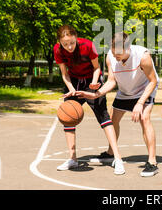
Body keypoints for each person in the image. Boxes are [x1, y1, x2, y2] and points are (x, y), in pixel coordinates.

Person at [77, 32, 159, 177]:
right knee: (113, 120)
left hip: (144, 89)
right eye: (114, 54)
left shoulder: (143, 56)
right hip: (125, 89)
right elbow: (112, 81)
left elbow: (152, 81)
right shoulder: (110, 56)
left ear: (128, 48)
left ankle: (152, 162)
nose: (116, 57)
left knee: (144, 118)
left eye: (118, 55)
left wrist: (140, 103)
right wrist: (96, 94)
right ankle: (110, 153)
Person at [53, 25, 125, 175]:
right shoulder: (57, 50)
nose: (69, 47)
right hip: (73, 81)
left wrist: (93, 85)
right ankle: (72, 159)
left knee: (104, 117)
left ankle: (118, 159)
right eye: (65, 44)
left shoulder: (88, 45)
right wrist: (71, 88)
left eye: (72, 42)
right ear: (60, 42)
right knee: (68, 118)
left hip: (91, 80)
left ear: (76, 38)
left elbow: (97, 68)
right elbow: (64, 73)